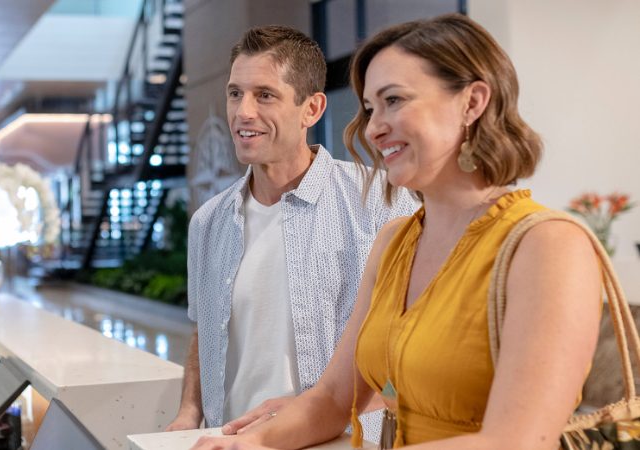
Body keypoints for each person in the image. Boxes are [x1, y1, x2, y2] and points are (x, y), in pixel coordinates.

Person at [190, 13, 601, 450]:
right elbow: (331, 400)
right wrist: (244, 445)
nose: (373, 127)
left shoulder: (548, 245)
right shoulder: (394, 242)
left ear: (473, 102)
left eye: (395, 101)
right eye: (370, 108)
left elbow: (516, 441)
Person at [165, 25, 417, 440]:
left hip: (342, 441)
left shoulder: (380, 202)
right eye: (234, 93)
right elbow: (204, 331)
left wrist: (329, 408)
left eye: (264, 95)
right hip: (231, 440)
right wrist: (188, 413)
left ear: (312, 109)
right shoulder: (208, 221)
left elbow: (411, 342)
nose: (243, 112)